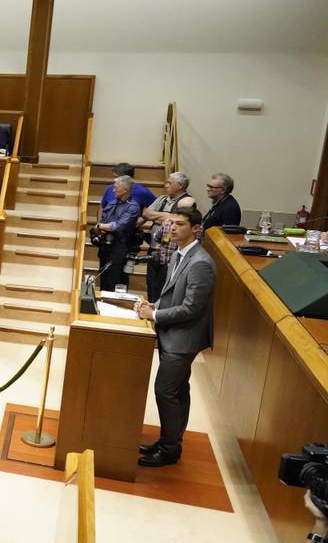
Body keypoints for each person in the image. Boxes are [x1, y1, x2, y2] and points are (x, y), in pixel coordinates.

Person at [136, 208, 214, 468]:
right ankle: (171, 440)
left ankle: (169, 449)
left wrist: (156, 314)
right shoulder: (178, 255)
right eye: (171, 223)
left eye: (180, 224)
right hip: (172, 333)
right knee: (179, 390)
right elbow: (171, 294)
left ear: (196, 229)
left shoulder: (201, 262)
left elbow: (193, 307)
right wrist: (154, 304)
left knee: (165, 391)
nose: (173, 228)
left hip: (184, 338)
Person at [143, 172, 194, 302]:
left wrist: (164, 217)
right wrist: (166, 215)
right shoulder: (162, 199)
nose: (166, 185)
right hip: (155, 249)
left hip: (171, 254)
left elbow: (174, 219)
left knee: (163, 286)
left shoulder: (186, 202)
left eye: (170, 183)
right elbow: (146, 213)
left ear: (181, 186)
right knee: (151, 282)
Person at [95, 175, 142, 291]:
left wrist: (101, 226)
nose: (113, 190)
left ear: (125, 189)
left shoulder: (133, 207)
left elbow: (118, 226)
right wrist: (100, 227)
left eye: (116, 187)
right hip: (106, 245)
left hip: (120, 248)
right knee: (104, 278)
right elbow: (104, 219)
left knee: (115, 280)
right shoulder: (112, 203)